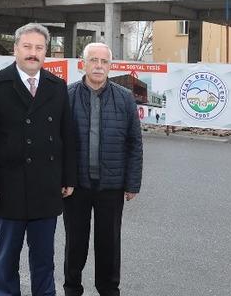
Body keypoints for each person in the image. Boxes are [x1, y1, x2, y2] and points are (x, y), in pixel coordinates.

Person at [0, 23, 77, 296]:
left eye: (39, 48)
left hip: (47, 189)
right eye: (27, 47)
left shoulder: (57, 87)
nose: (33, 53)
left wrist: (68, 178)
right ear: (16, 48)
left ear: (46, 52)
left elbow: (67, 136)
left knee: (44, 261)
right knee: (7, 260)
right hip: (7, 190)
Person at [63, 42, 143, 296]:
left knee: (108, 243)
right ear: (82, 63)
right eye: (93, 60)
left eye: (104, 61)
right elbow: (58, 143)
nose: (99, 66)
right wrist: (62, 179)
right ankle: (72, 288)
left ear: (110, 65)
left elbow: (134, 143)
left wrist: (132, 183)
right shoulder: (67, 96)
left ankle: (108, 290)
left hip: (111, 185)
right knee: (75, 242)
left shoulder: (124, 98)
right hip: (76, 186)